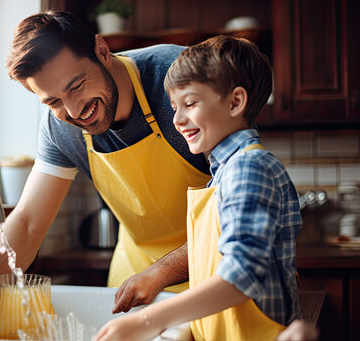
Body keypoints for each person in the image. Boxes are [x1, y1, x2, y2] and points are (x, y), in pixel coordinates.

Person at [0, 10, 211, 332]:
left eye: (77, 86)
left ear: (101, 51)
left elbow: (232, 202)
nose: (73, 111)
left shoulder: (180, 81)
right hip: (137, 275)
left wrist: (163, 271)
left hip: (214, 264)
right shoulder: (60, 128)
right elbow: (29, 221)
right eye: (53, 101)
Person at [96, 35, 304, 341]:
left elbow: (241, 276)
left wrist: (147, 322)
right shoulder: (222, 174)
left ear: (235, 102)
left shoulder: (248, 169)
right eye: (174, 106)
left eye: (190, 103)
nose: (178, 120)